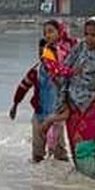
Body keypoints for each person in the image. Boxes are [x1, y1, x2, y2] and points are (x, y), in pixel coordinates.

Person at [47, 17, 95, 178]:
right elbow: (64, 71)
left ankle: (89, 182)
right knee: (76, 143)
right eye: (86, 34)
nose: (89, 39)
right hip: (73, 103)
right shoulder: (79, 48)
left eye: (94, 35)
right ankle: (83, 186)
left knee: (87, 143)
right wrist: (63, 99)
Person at [33, 20, 75, 162]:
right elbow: (56, 71)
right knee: (38, 147)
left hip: (60, 103)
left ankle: (57, 173)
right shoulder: (47, 55)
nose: (47, 35)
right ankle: (39, 172)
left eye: (51, 31)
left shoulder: (70, 48)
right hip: (41, 107)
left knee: (59, 145)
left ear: (59, 31)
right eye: (45, 33)